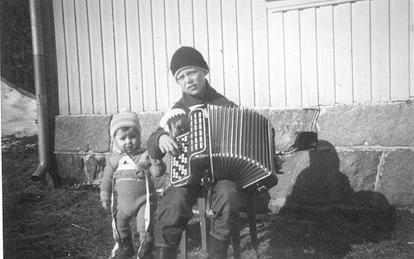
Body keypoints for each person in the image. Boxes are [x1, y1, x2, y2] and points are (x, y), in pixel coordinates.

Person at [146, 46, 243, 259]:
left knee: (228, 195)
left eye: (191, 73)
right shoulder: (177, 111)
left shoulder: (226, 105)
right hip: (187, 178)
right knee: (172, 204)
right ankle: (164, 254)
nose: (187, 80)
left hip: (221, 176)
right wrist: (161, 138)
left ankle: (216, 254)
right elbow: (154, 138)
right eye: (181, 77)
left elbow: (246, 131)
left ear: (204, 72)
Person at [101, 110, 164, 259]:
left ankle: (146, 249)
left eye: (133, 137)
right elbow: (107, 179)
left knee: (144, 226)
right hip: (123, 203)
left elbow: (156, 173)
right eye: (123, 138)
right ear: (115, 140)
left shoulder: (144, 155)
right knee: (119, 223)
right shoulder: (113, 160)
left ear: (139, 136)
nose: (128, 141)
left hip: (144, 201)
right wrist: (105, 195)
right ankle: (126, 246)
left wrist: (156, 165)